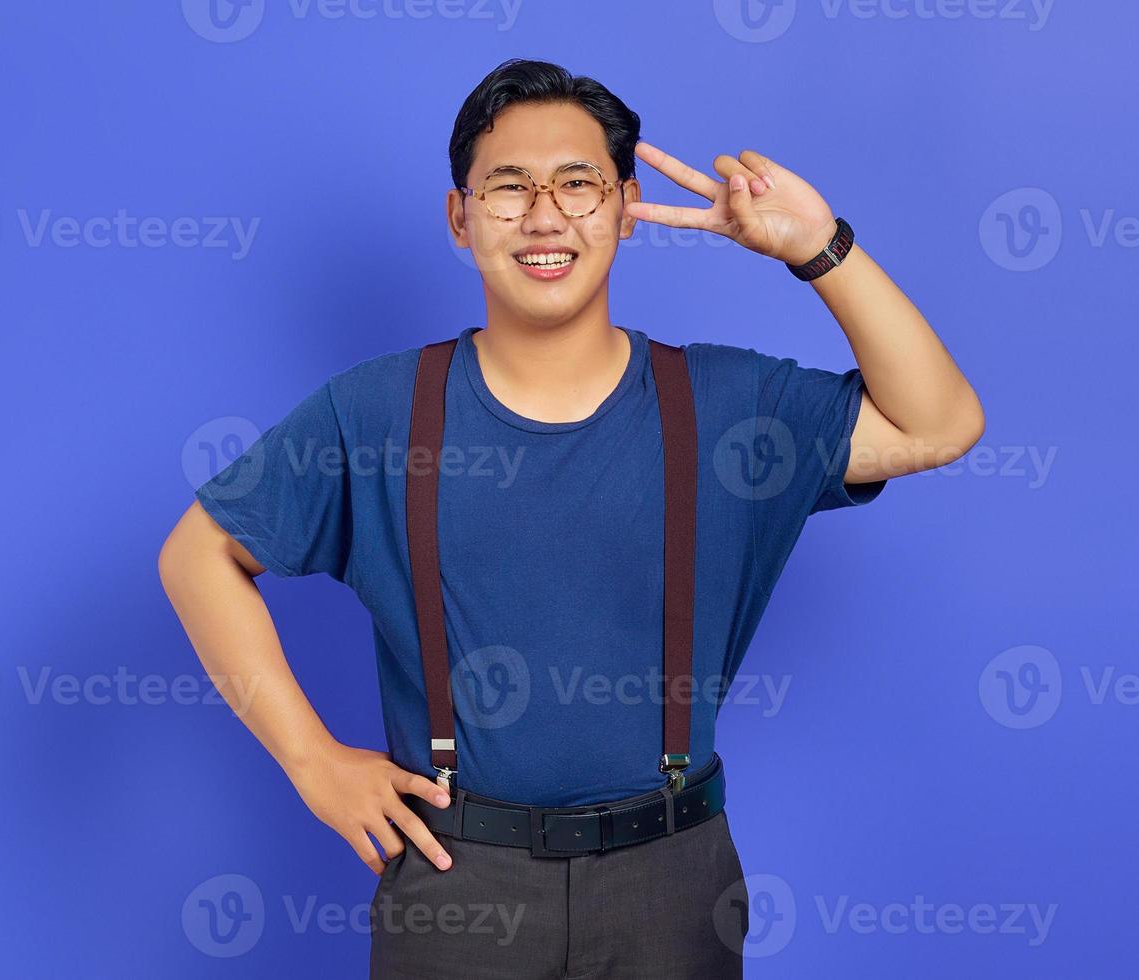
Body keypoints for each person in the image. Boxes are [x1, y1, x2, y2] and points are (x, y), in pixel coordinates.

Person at [158, 57, 984, 979]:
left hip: (672, 883)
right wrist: (311, 761)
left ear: (626, 208)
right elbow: (199, 557)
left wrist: (817, 248)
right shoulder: (376, 413)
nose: (545, 216)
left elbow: (940, 423)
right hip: (455, 884)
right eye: (508, 189)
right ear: (459, 217)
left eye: (579, 185)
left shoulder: (729, 406)